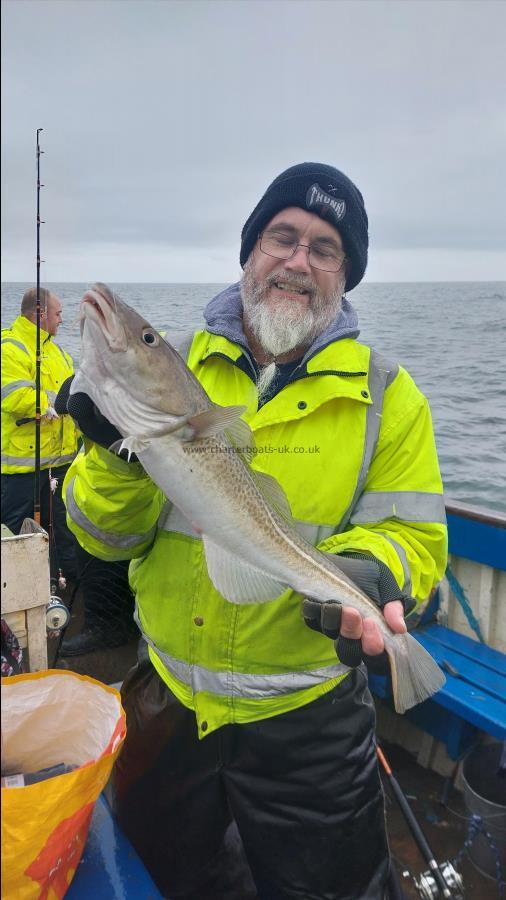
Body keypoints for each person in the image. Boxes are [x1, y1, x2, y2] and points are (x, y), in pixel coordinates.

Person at [58, 162, 447, 899]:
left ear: (345, 275)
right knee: (153, 881)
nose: (299, 261)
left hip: (312, 727)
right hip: (167, 705)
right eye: (282, 236)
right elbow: (102, 542)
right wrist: (113, 457)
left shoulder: (388, 398)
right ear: (249, 253)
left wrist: (369, 572)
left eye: (325, 248)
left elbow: (415, 539)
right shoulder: (180, 368)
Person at [1, 287, 80, 581]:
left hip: (60, 466)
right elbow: (12, 397)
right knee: (19, 539)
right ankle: (16, 598)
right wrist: (51, 405)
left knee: (63, 533)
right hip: (24, 470)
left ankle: (65, 591)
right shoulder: (10, 346)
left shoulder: (59, 352)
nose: (62, 320)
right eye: (58, 314)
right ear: (40, 313)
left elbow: (75, 397)